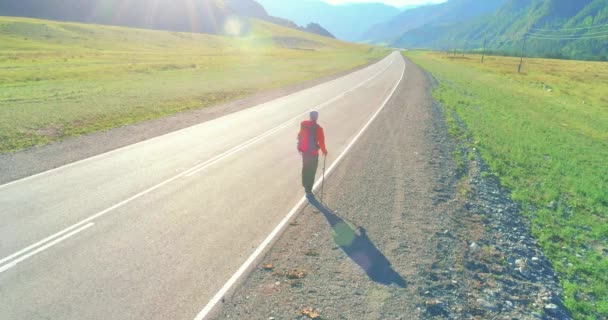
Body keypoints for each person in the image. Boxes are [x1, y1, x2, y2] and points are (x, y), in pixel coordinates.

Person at [297, 111, 328, 196]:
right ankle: (309, 188)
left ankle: (305, 184)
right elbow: (321, 142)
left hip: (305, 152)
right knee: (312, 170)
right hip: (313, 153)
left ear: (310, 116)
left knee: (305, 168)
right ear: (317, 117)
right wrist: (324, 151)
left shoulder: (303, 124)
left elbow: (299, 135)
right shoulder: (319, 128)